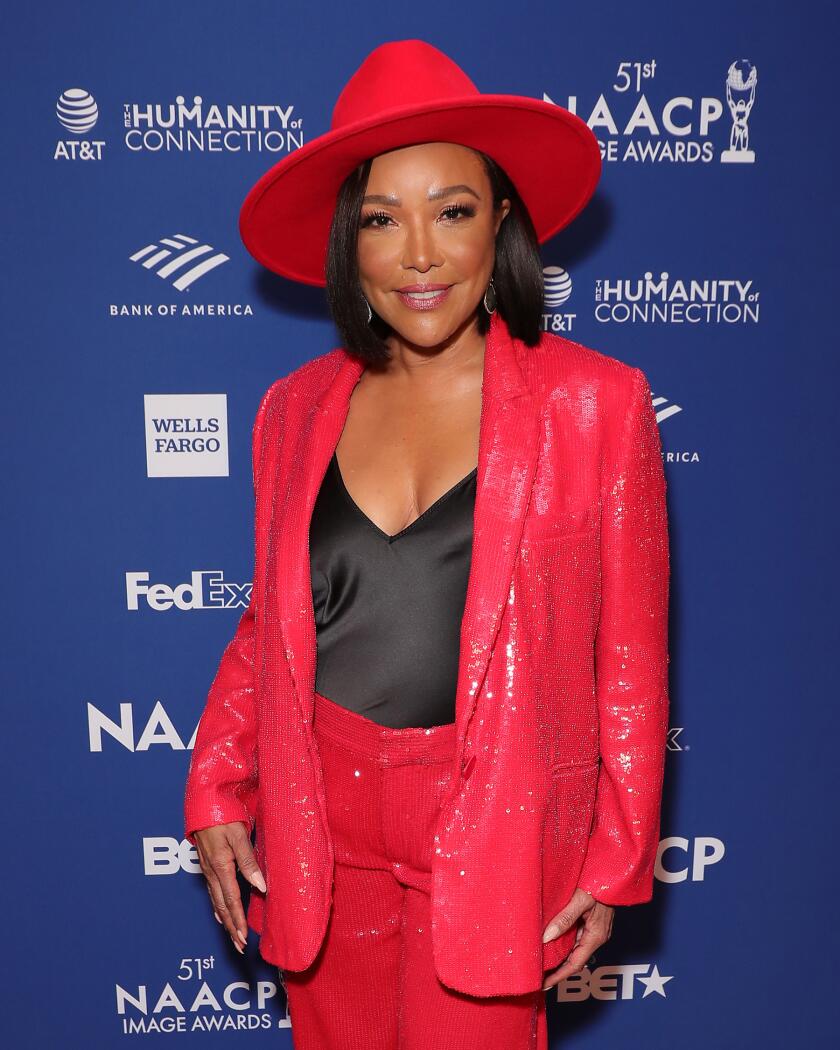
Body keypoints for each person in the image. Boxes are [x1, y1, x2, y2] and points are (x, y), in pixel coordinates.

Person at [183, 38, 670, 1050]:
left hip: (492, 823)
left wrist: (616, 860)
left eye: (451, 210)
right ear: (346, 244)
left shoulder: (596, 404)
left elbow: (628, 658)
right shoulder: (294, 408)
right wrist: (216, 778)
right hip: (323, 819)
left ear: (500, 221)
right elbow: (272, 620)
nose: (418, 254)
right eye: (380, 218)